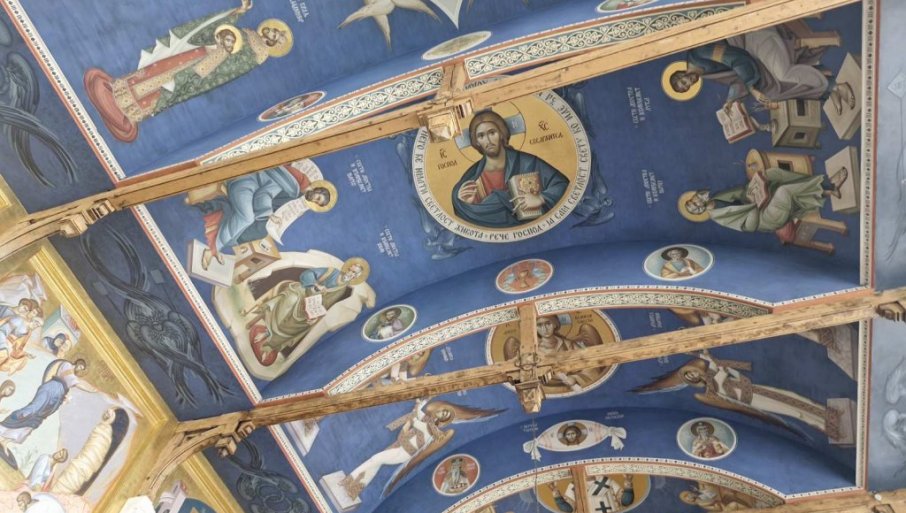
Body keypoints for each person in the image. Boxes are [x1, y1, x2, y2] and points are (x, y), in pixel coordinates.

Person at [83, 0, 293, 142]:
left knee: (169, 86)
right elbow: (220, 29)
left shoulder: (257, 56)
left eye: (276, 36)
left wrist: (220, 55)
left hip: (205, 68)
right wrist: (238, 12)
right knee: (159, 68)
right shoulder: (247, 32)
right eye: (274, 30)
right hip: (198, 53)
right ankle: (118, 92)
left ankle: (127, 110)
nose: (272, 33)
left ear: (274, 43)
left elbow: (231, 70)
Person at [667, 25, 855, 114]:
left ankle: (837, 87)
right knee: (772, 93)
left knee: (783, 74)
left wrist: (752, 89)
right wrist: (730, 100)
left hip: (753, 37)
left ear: (681, 73)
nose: (689, 83)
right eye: (686, 87)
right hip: (752, 54)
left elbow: (737, 59)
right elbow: (735, 78)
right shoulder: (705, 73)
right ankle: (828, 89)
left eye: (683, 81)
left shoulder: (700, 53)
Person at [195, 164, 334, 269]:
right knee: (246, 218)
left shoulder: (299, 190)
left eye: (317, 202)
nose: (314, 200)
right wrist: (269, 214)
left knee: (257, 227)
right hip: (245, 181)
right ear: (317, 189)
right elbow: (264, 195)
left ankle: (218, 247)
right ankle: (211, 250)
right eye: (318, 197)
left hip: (252, 189)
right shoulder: (293, 184)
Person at [452, 110, 569, 228]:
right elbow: (464, 213)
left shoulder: (527, 162)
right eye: (481, 136)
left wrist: (541, 198)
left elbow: (561, 183)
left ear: (501, 133)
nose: (488, 141)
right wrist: (465, 204)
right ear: (476, 141)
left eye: (492, 133)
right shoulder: (472, 175)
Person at [244, 259, 368, 360]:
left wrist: (315, 316)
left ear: (356, 277)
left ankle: (269, 344)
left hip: (311, 303)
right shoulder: (331, 271)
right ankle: (267, 331)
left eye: (354, 273)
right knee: (291, 301)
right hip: (302, 291)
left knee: (304, 323)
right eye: (350, 270)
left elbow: (326, 304)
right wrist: (315, 285)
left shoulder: (341, 289)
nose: (350, 274)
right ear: (347, 269)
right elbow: (308, 274)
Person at [683, 167, 849, 236]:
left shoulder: (717, 197)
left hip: (760, 202)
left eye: (695, 200)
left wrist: (755, 184)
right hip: (766, 218)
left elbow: (742, 193)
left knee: (772, 173)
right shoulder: (718, 216)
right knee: (784, 191)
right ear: (700, 211)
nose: (698, 202)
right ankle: (829, 187)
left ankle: (821, 188)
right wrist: (754, 206)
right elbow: (749, 227)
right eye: (695, 207)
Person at [0, 359, 99, 466]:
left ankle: (5, 442)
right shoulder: (67, 366)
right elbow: (73, 381)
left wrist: (63, 398)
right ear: (77, 363)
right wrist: (90, 390)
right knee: (29, 411)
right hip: (50, 390)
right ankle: (2, 429)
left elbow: (71, 383)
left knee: (35, 422)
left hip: (56, 398)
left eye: (81, 369)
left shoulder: (71, 377)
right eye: (80, 367)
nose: (79, 369)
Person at [504, 315, 605, 392]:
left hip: (570, 384)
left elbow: (588, 365)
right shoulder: (531, 351)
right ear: (535, 329)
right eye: (539, 325)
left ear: (555, 324)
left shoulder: (568, 344)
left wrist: (575, 378)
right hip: (547, 388)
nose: (544, 329)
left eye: (548, 323)